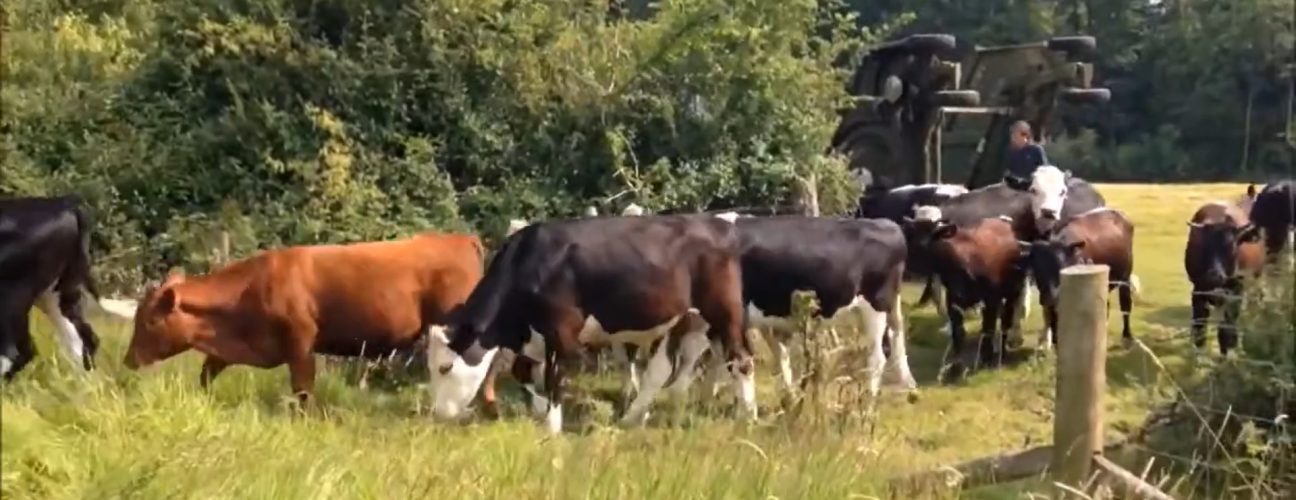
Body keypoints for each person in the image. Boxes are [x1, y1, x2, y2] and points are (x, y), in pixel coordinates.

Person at [1003, 120, 1049, 191]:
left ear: (1024, 135)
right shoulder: (1012, 152)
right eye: (1012, 134)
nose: (1012, 138)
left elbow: (1044, 172)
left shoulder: (1036, 150)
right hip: (1013, 191)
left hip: (1030, 191)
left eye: (1015, 135)